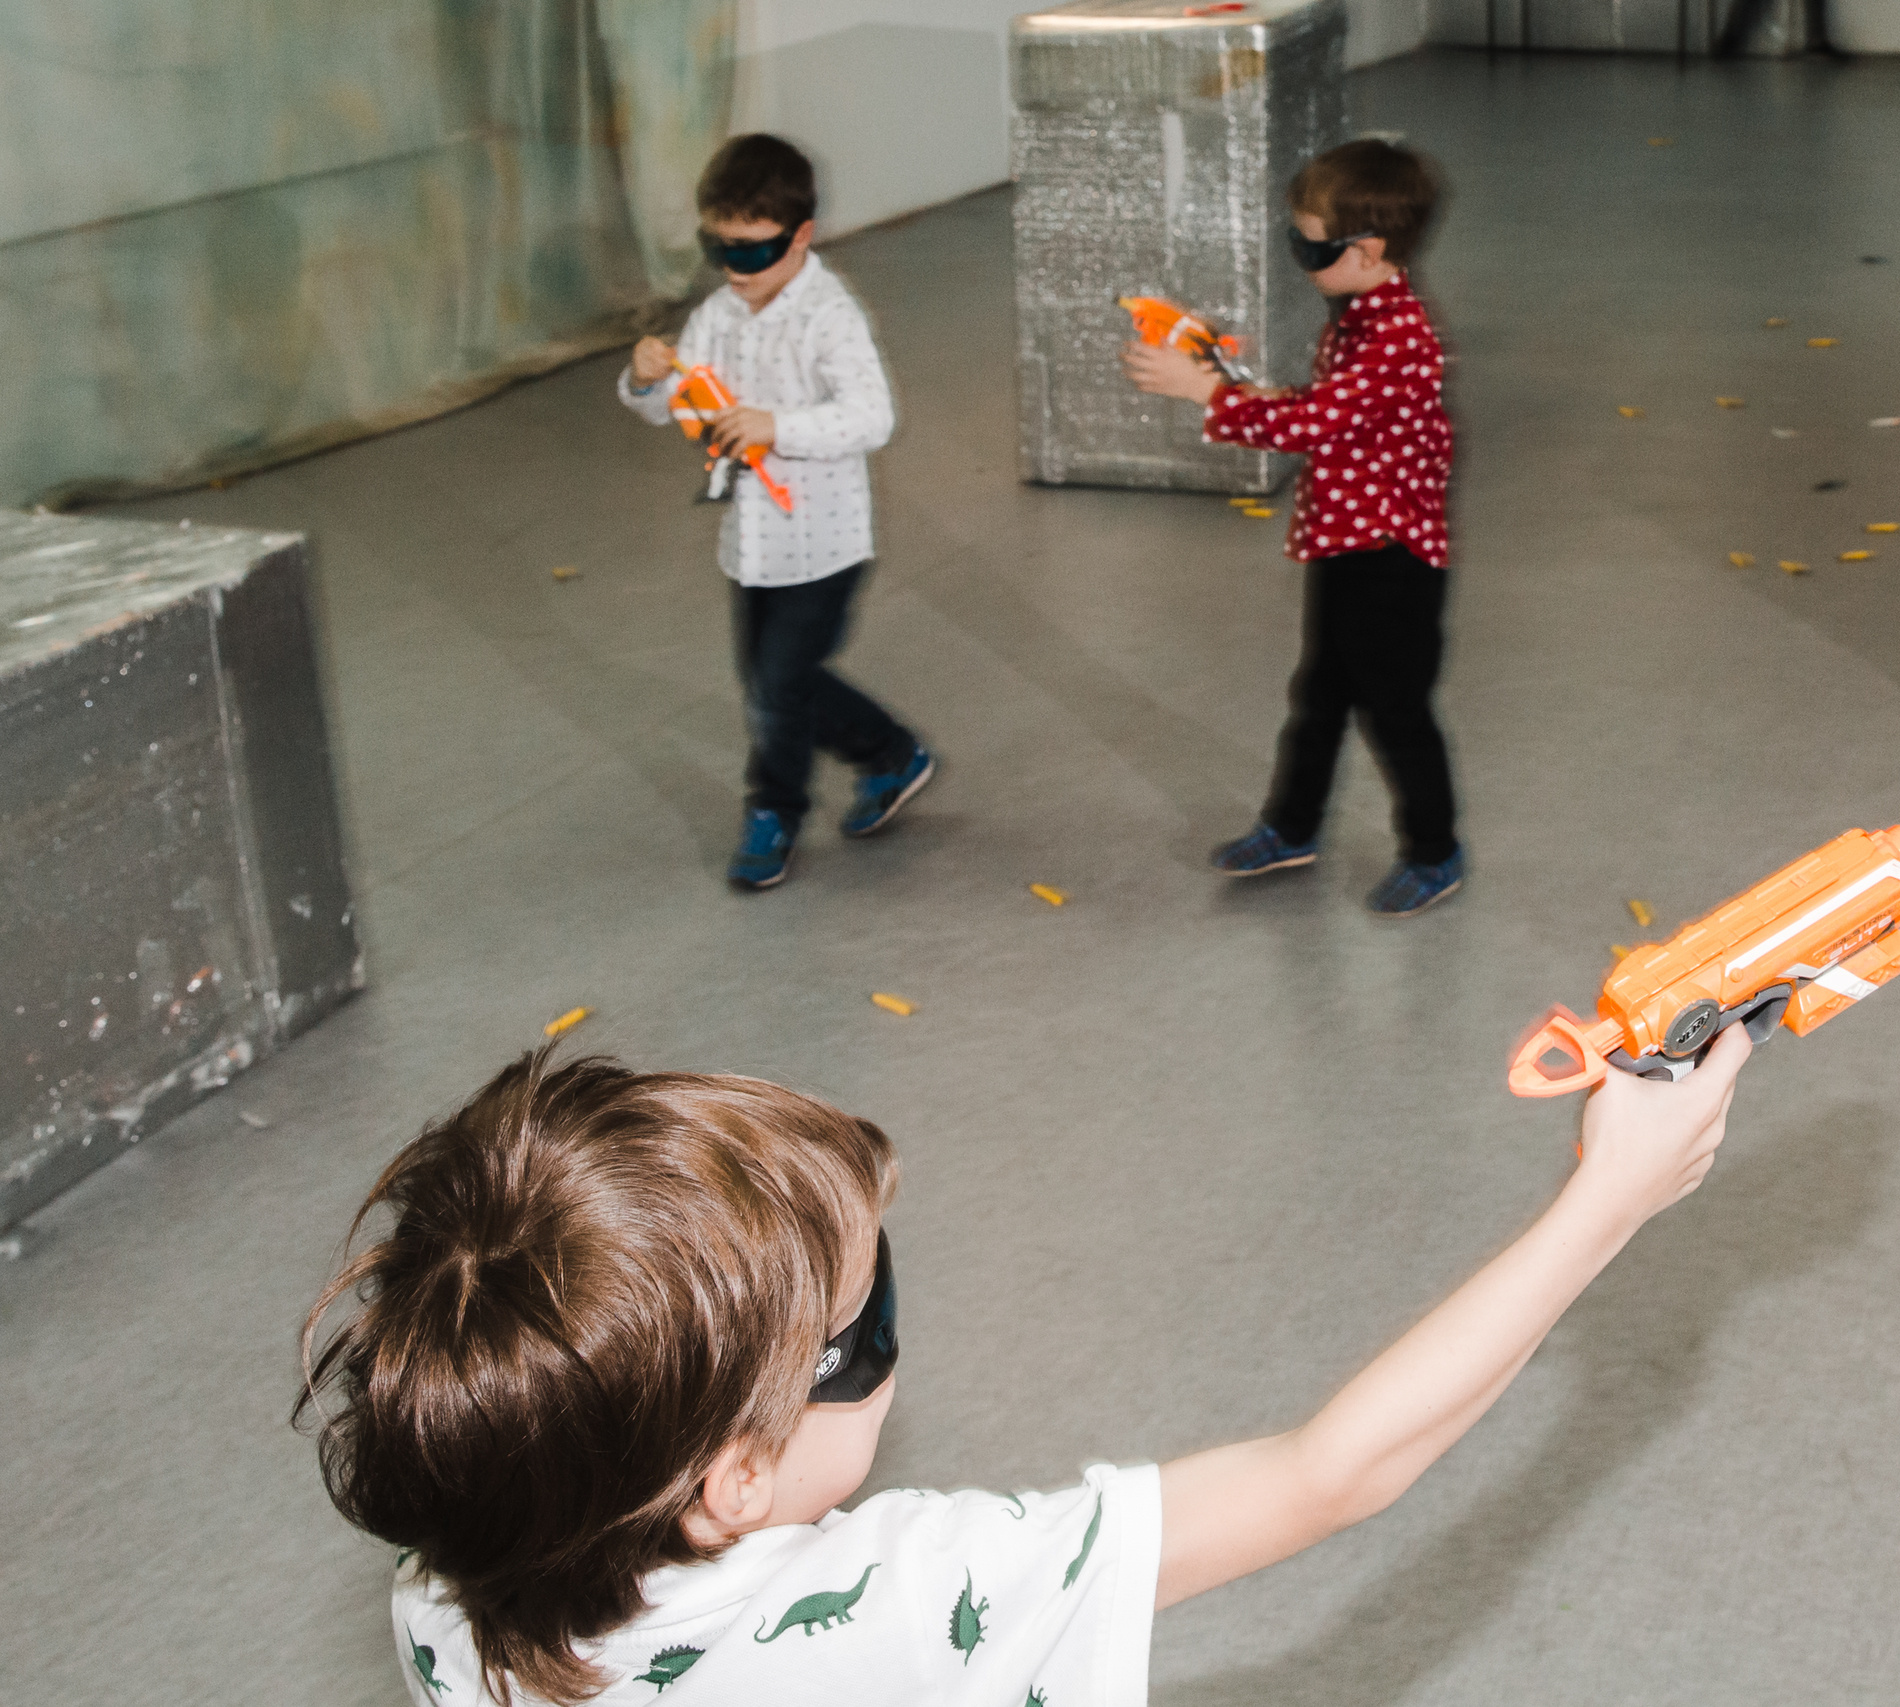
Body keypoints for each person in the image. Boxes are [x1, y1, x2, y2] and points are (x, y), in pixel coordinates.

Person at [298, 1027, 1754, 1706]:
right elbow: (1328, 1470)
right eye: (863, 1326)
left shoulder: (450, 1571)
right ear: (736, 1468)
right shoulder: (908, 1598)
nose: (890, 1344)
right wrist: (1602, 1205)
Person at [1124, 140, 1463, 918]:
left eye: (1309, 242)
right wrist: (1241, 383)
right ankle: (1292, 825)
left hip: (1393, 561)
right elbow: (1328, 407)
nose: (1298, 253)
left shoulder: (1399, 335)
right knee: (1319, 694)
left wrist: (1207, 392)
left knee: (1396, 709)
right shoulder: (1358, 312)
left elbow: (1315, 421)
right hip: (1347, 545)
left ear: (1367, 250)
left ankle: (1434, 849)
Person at [620, 134, 935, 892]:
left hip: (826, 543)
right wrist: (643, 381)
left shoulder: (830, 316)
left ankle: (774, 810)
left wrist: (778, 426)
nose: (734, 267)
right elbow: (672, 408)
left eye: (753, 251)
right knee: (769, 679)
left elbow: (872, 416)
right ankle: (890, 753)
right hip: (751, 542)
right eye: (715, 246)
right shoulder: (716, 315)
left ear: (801, 237)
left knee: (779, 682)